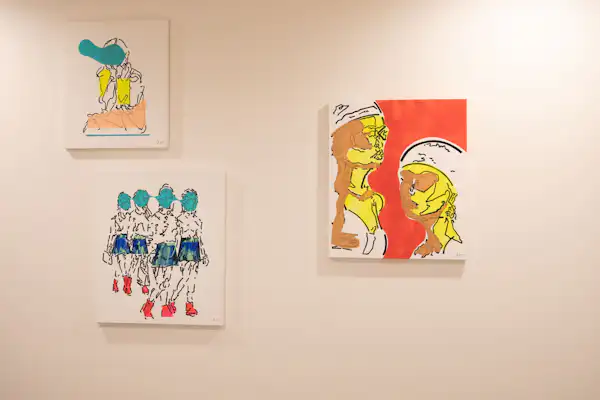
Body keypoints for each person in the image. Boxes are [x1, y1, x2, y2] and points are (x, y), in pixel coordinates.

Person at [330, 102, 388, 255]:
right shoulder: (332, 199)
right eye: (369, 134)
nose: (379, 143)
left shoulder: (376, 200)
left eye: (382, 134)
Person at [398, 139, 464, 258]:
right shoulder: (413, 247)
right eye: (405, 180)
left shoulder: (454, 249)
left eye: (419, 182)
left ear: (448, 192)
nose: (410, 190)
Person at [140, 185, 180, 319]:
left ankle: (163, 307)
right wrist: (151, 253)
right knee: (160, 283)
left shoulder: (174, 218)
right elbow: (152, 237)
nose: (167, 201)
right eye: (165, 198)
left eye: (169, 198)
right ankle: (151, 306)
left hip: (171, 250)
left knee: (167, 281)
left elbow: (176, 236)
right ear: (161, 200)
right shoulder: (155, 218)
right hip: (160, 250)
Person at [171, 189, 209, 317]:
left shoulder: (198, 221)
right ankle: (172, 300)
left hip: (195, 248)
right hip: (184, 249)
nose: (192, 203)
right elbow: (177, 238)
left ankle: (189, 304)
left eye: (194, 201)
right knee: (185, 278)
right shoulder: (179, 219)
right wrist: (175, 255)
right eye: (189, 200)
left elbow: (200, 239)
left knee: (192, 279)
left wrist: (203, 254)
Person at [102, 192, 132, 294]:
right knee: (121, 265)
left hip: (127, 242)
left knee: (126, 265)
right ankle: (125, 285)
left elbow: (130, 232)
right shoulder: (114, 220)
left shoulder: (130, 218)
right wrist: (108, 249)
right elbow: (111, 235)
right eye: (123, 206)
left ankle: (120, 283)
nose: (124, 209)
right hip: (119, 243)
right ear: (119, 206)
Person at [129, 189, 153, 294]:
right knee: (135, 262)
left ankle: (144, 284)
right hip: (137, 240)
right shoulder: (133, 215)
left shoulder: (148, 214)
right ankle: (128, 281)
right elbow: (131, 230)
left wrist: (150, 237)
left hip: (146, 241)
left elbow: (151, 228)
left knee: (144, 262)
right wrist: (130, 241)